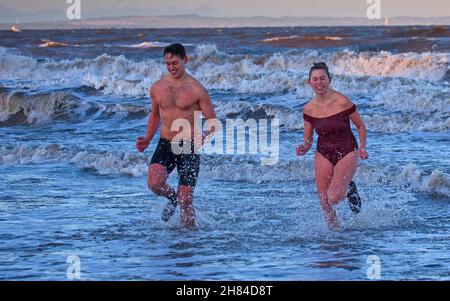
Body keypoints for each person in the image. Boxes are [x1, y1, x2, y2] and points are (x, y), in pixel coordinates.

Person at [136, 43, 217, 228]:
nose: (171, 67)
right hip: (166, 143)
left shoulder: (197, 89)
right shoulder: (157, 88)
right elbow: (155, 115)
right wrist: (148, 138)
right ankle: (172, 198)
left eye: (175, 63)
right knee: (154, 183)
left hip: (188, 146)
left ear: (185, 60)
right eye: (168, 63)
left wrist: (204, 135)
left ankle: (189, 237)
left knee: (186, 199)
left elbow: (213, 120)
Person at [296, 62, 368, 230]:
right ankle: (336, 234)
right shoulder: (308, 109)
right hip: (323, 151)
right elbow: (308, 139)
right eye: (315, 79)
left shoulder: (343, 101)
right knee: (324, 201)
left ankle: (350, 186)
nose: (319, 83)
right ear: (309, 82)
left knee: (334, 197)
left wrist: (363, 147)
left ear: (329, 80)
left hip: (347, 149)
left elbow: (361, 126)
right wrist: (304, 147)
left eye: (322, 78)